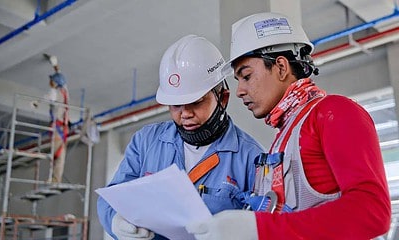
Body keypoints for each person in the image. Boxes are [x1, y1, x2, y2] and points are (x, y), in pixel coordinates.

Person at [186, 12, 392, 240]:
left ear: (281, 67)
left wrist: (261, 228)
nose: (239, 91)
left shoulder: (334, 113)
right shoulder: (284, 137)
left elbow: (372, 211)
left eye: (246, 76)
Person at [96, 34, 264, 240]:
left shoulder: (252, 158)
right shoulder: (145, 142)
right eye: (176, 105)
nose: (185, 114)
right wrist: (116, 221)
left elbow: (263, 225)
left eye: (196, 102)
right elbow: (113, 197)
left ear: (223, 98)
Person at [33, 55, 70, 183]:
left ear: (54, 83)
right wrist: (55, 64)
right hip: (63, 127)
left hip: (57, 127)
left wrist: (36, 103)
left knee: (56, 153)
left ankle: (54, 178)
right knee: (60, 152)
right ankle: (56, 178)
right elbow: (60, 77)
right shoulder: (64, 90)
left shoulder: (54, 93)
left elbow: (46, 96)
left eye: (51, 80)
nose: (50, 82)